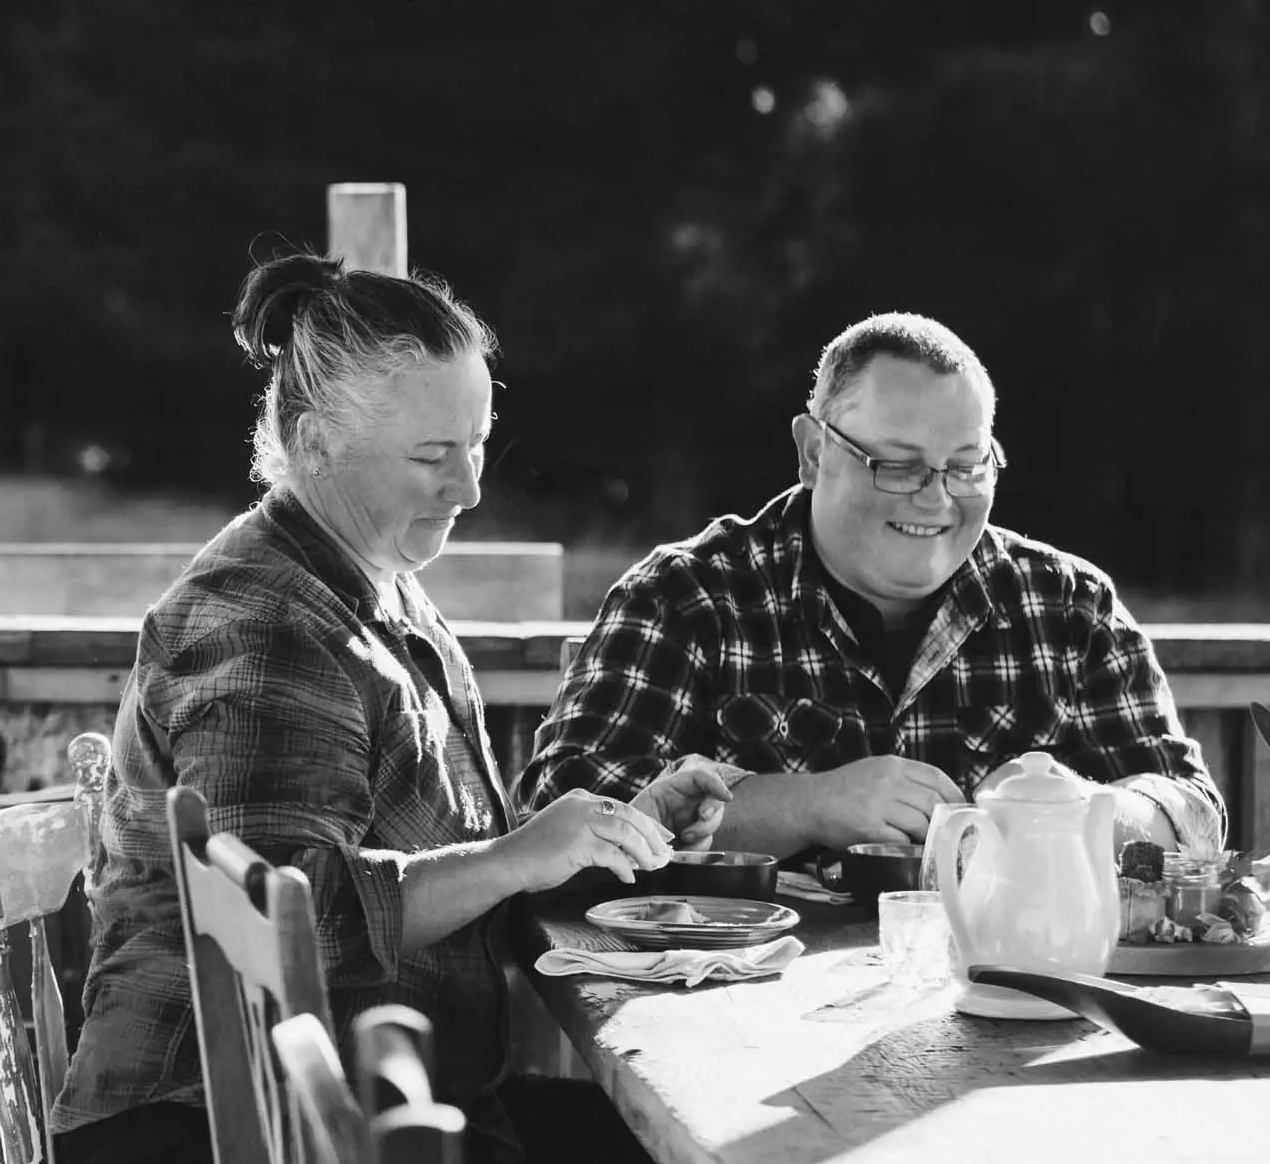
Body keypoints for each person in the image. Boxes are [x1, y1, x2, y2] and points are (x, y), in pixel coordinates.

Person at [53, 251, 730, 1164]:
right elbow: (298, 919)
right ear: (311, 439)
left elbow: (444, 866)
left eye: (478, 443)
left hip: (383, 1100)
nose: (470, 488)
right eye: (430, 456)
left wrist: (607, 837)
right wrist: (510, 860)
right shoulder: (266, 624)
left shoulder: (377, 588)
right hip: (208, 1142)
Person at [518, 311, 1222, 858]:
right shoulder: (687, 597)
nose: (937, 499)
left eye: (967, 466)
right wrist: (807, 805)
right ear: (814, 452)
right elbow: (557, 806)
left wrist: (1087, 811)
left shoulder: (1071, 609)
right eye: (898, 465)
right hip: (732, 1018)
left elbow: (1193, 811)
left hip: (1010, 1003)